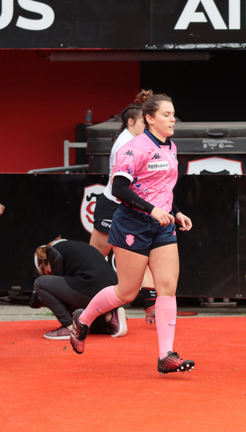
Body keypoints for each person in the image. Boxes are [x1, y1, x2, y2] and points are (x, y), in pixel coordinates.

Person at [69, 93, 196, 375]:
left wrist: (175, 212)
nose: (173, 119)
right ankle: (82, 319)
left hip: (162, 225)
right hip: (132, 224)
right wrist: (152, 210)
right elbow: (119, 189)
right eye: (166, 115)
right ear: (149, 118)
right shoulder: (133, 148)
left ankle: (166, 356)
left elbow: (162, 188)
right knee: (126, 292)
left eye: (173, 114)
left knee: (167, 287)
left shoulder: (171, 146)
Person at [89, 90, 158, 324]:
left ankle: (151, 305)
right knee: (94, 258)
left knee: (139, 254)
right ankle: (80, 303)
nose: (147, 127)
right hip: (113, 204)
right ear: (131, 122)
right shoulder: (126, 144)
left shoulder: (140, 141)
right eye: (143, 123)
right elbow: (121, 184)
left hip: (132, 206)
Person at [34, 237, 125, 340]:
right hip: (112, 291)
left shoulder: (53, 251)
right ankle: (110, 317)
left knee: (40, 284)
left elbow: (59, 287)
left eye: (47, 272)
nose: (49, 274)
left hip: (90, 286)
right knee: (86, 324)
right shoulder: (76, 247)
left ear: (44, 263)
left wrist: (44, 300)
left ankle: (69, 327)